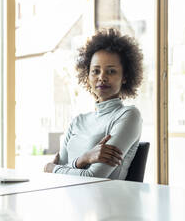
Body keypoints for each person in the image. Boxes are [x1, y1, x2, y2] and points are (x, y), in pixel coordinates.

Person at [44, 28, 143, 179]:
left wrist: (52, 168)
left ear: (125, 77)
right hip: (69, 199)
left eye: (111, 71)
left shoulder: (128, 116)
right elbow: (57, 177)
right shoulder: (77, 121)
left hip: (106, 201)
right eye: (95, 71)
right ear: (87, 75)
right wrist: (84, 159)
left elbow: (94, 176)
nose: (101, 77)